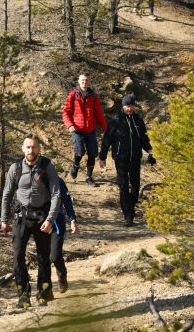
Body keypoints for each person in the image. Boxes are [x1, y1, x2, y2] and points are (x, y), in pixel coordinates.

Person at [0, 134, 61, 308]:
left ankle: (43, 293)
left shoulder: (47, 166)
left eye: (34, 147)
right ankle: (23, 296)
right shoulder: (16, 168)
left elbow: (56, 194)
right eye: (28, 147)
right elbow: (7, 194)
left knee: (43, 256)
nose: (31, 150)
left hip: (42, 217)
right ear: (23, 148)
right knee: (18, 257)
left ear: (39, 149)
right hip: (21, 217)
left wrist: (50, 219)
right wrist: (4, 219)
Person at [99, 94, 155, 227]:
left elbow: (144, 139)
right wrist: (102, 157)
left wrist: (151, 151)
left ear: (134, 106)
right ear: (123, 106)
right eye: (126, 106)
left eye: (131, 106)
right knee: (123, 186)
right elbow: (107, 139)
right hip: (121, 159)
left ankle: (130, 207)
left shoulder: (138, 120)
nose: (129, 108)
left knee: (135, 186)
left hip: (135, 158)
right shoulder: (116, 120)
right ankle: (128, 215)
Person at [62, 73, 107, 187]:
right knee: (80, 151)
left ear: (89, 82)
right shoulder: (73, 94)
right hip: (77, 129)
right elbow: (66, 112)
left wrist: (106, 128)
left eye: (86, 80)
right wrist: (69, 125)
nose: (84, 82)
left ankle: (89, 177)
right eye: (82, 80)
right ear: (78, 81)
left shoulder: (94, 96)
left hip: (90, 130)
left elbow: (99, 114)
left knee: (92, 153)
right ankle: (76, 166)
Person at [50, 176, 77, 293]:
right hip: (39, 223)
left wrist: (72, 220)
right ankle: (45, 288)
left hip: (57, 223)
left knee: (54, 256)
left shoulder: (57, 181)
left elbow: (67, 200)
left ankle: (62, 276)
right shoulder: (31, 179)